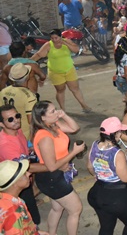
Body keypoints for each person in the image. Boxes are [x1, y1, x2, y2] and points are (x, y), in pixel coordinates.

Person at [31, 100, 85, 235]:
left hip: (57, 174)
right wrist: (74, 152)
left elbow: (74, 128)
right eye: (53, 111)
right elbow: (51, 166)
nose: (57, 112)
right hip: (51, 179)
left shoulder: (53, 125)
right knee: (76, 209)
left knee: (57, 208)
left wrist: (64, 115)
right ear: (43, 117)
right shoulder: (45, 137)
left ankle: (52, 233)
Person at [86, 116, 127, 235]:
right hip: (116, 198)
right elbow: (126, 178)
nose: (121, 134)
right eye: (119, 132)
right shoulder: (117, 154)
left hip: (96, 194)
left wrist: (98, 175)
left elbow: (89, 167)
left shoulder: (95, 145)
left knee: (106, 226)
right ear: (115, 134)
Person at [0, 104, 45, 225]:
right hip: (16, 182)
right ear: (1, 124)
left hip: (23, 171)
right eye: (10, 119)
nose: (16, 120)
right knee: (33, 219)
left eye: (17, 116)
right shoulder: (6, 145)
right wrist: (51, 166)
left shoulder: (17, 131)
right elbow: (22, 170)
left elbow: (24, 151)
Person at [32, 29, 92, 113]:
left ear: (60, 36)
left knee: (75, 89)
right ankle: (62, 109)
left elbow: (76, 50)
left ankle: (84, 105)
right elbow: (38, 55)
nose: (54, 40)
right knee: (60, 90)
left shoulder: (67, 41)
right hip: (55, 72)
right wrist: (28, 61)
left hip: (69, 70)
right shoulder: (48, 45)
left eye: (56, 38)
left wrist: (65, 43)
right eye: (52, 38)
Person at [0, 159, 47, 235]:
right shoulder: (14, 213)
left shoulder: (7, 198)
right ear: (15, 184)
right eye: (24, 174)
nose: (29, 173)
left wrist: (36, 232)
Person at [0, 64, 38, 139]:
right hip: (25, 135)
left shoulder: (3, 91)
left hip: (8, 132)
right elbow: (31, 121)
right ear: (27, 77)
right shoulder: (29, 97)